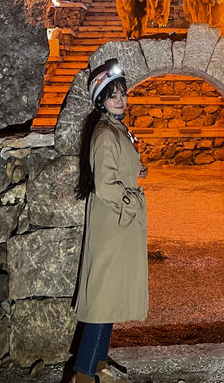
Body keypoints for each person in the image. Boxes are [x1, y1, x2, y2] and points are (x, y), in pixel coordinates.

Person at [70, 58, 148, 382]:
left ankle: (99, 364)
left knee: (110, 296)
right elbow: (105, 185)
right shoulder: (105, 133)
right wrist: (130, 201)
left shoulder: (116, 129)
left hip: (117, 224)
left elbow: (116, 170)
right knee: (102, 300)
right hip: (113, 224)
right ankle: (84, 373)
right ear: (101, 99)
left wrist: (136, 170)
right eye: (112, 94)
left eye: (122, 93)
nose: (120, 99)